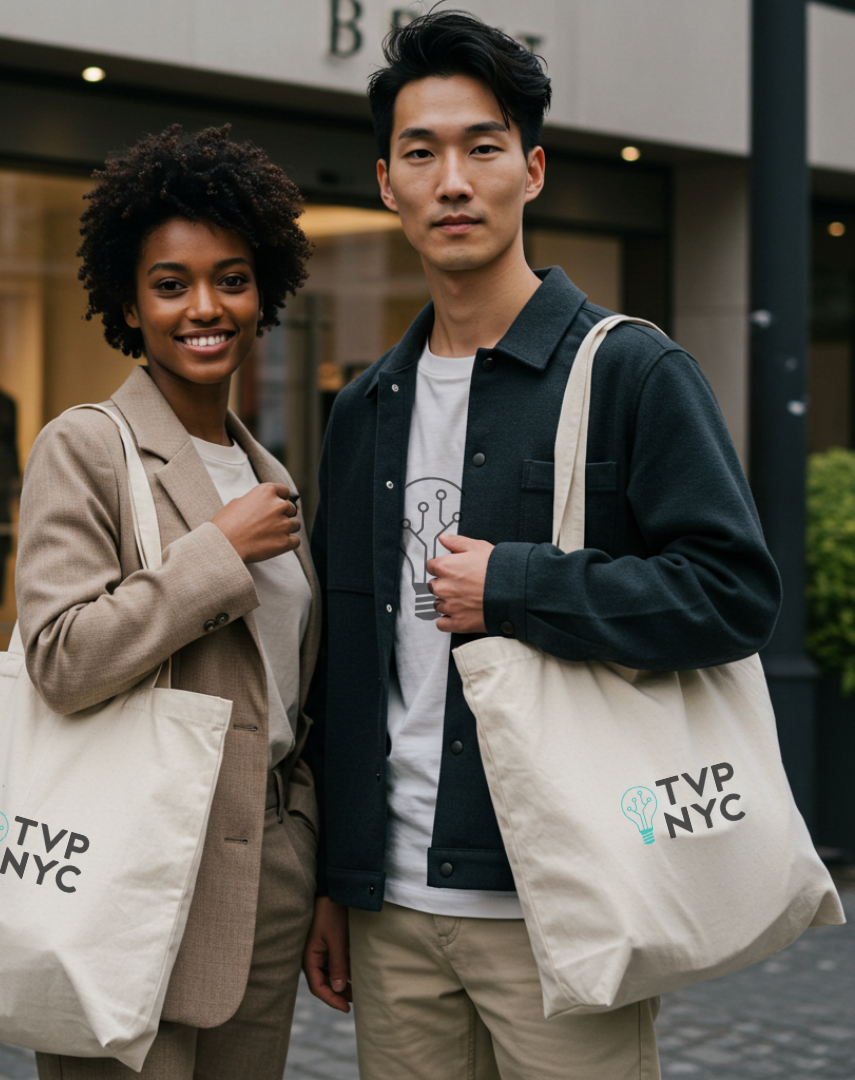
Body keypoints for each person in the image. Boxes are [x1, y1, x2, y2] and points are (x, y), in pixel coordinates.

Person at [301, 11, 781, 1080]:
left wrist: (516, 585)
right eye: (421, 154)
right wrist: (339, 876)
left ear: (533, 169)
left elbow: (734, 595)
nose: (453, 181)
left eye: (482, 147)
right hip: (390, 913)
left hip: (561, 898)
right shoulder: (365, 407)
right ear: (386, 183)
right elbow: (346, 662)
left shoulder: (633, 372)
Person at [15, 124, 319, 1080]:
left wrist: (305, 845)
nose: (206, 308)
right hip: (126, 861)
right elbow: (62, 657)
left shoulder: (269, 473)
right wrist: (215, 552)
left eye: (231, 280)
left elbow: (289, 691)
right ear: (129, 303)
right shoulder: (85, 446)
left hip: (264, 877)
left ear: (263, 293)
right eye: (171, 284)